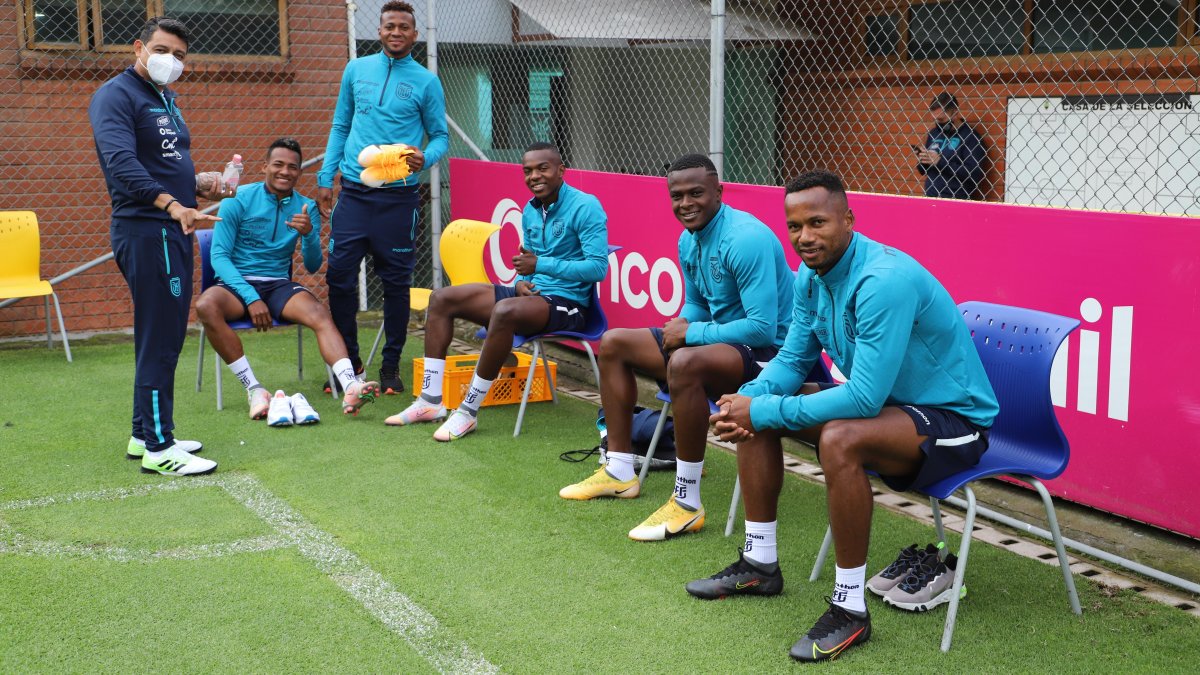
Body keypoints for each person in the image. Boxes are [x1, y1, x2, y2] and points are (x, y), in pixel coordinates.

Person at [690, 170, 998, 662]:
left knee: (838, 438)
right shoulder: (810, 275)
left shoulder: (883, 281)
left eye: (818, 222)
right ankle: (760, 562)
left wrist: (764, 406)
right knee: (756, 414)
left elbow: (863, 401)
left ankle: (850, 608)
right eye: (794, 227)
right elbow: (792, 361)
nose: (805, 237)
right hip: (889, 411)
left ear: (848, 220)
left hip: (954, 423)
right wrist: (746, 400)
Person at [558, 153, 794, 543]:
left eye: (696, 193)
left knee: (684, 362)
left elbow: (762, 330)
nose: (686, 204)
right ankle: (619, 471)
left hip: (770, 357)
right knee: (615, 342)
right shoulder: (689, 239)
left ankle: (687, 502)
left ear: (718, 192)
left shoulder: (745, 238)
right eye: (677, 195)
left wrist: (692, 335)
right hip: (718, 345)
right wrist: (681, 327)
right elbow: (699, 306)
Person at [386, 142, 608, 440]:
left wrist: (540, 264)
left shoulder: (586, 206)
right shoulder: (530, 211)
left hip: (569, 304)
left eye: (542, 168)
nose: (534, 176)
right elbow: (527, 263)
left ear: (561, 170)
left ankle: (467, 412)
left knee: (503, 311)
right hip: (531, 296)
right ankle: (430, 402)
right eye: (527, 171)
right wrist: (519, 281)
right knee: (442, 299)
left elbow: (597, 268)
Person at [89, 16, 226, 477]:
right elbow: (121, 165)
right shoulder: (116, 95)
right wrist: (172, 203)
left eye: (181, 56)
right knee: (162, 338)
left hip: (171, 227)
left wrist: (201, 185)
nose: (172, 61)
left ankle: (142, 433)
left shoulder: (165, 98)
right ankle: (159, 447)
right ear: (139, 48)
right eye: (163, 50)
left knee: (160, 333)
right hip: (149, 231)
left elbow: (164, 162)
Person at [194, 138, 381, 423]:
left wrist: (308, 236)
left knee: (318, 311)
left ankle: (351, 385)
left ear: (298, 173)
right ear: (265, 166)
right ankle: (254, 389)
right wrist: (251, 297)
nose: (285, 171)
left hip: (278, 284)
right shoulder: (237, 198)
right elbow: (219, 257)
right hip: (236, 285)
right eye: (278, 164)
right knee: (206, 306)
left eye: (292, 167)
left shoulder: (305, 207)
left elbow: (313, 265)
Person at [317, 0, 449, 397]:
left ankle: (390, 366)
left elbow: (441, 136)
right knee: (339, 277)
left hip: (399, 198)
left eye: (404, 27)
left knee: (396, 284)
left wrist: (426, 159)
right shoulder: (356, 70)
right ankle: (351, 363)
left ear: (413, 34)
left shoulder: (426, 81)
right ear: (379, 29)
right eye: (389, 25)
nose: (396, 32)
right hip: (354, 194)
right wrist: (326, 176)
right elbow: (341, 123)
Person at [916, 92, 985, 200]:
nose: (938, 123)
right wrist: (923, 160)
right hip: (931, 196)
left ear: (955, 113)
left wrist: (940, 162)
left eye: (941, 119)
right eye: (935, 119)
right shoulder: (934, 133)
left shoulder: (970, 137)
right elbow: (923, 171)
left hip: (955, 199)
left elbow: (974, 173)